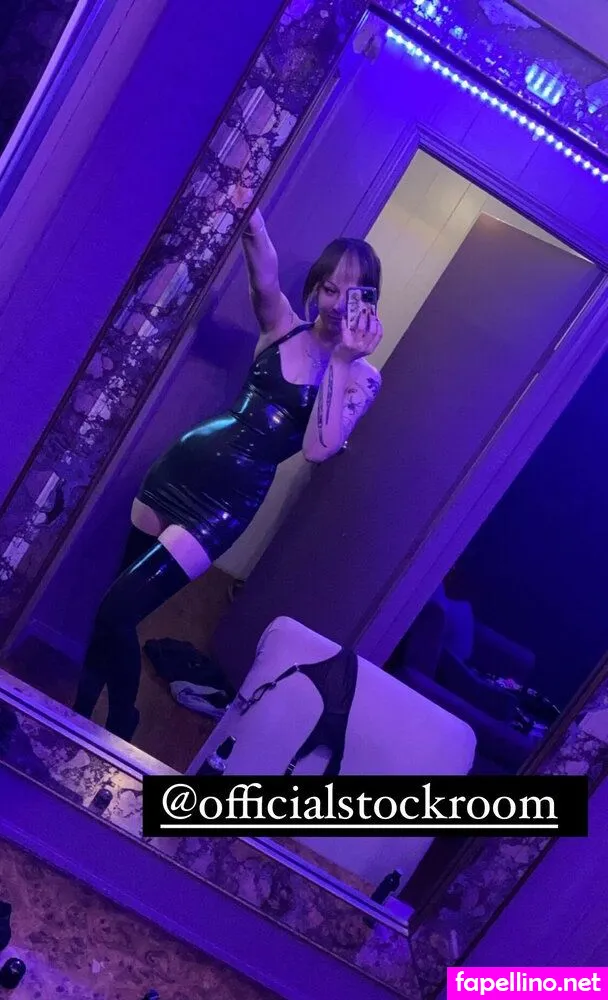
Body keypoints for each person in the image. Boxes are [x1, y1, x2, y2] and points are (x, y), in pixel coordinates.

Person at [73, 208, 384, 740]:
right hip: (180, 468)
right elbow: (264, 273)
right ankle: (77, 711)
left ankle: (121, 717)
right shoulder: (284, 325)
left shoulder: (360, 377)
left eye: (352, 294)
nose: (337, 304)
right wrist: (251, 215)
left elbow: (318, 449)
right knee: (110, 606)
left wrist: (340, 359)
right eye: (329, 288)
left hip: (224, 507)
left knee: (118, 612)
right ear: (315, 289)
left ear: (370, 301)